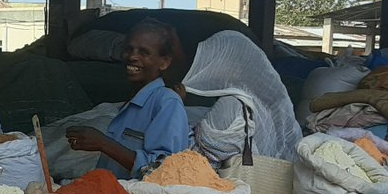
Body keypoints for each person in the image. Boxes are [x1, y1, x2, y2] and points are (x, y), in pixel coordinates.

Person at [65, 19, 189, 178]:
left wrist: (103, 143)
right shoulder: (133, 103)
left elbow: (164, 171)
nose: (132, 56)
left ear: (164, 62)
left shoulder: (167, 102)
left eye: (144, 52)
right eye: (129, 49)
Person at [182, 30, 303, 164]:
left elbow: (203, 151)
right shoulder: (265, 103)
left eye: (215, 59)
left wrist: (175, 107)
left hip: (241, 180)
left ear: (232, 67)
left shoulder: (230, 104)